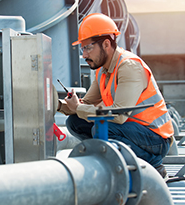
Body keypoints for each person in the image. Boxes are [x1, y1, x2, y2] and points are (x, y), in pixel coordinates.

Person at [57, 13, 174, 180]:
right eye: (82, 48)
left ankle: (154, 165)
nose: (84, 55)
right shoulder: (102, 70)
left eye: (88, 47)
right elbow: (86, 104)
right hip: (130, 130)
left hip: (154, 138)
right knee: (75, 122)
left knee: (102, 127)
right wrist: (57, 104)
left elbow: (119, 116)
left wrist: (79, 107)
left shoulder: (128, 66)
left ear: (106, 44)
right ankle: (108, 161)